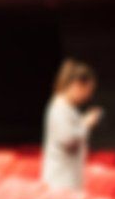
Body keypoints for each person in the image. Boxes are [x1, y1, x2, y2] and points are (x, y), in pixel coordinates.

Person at [41, 59, 103, 190]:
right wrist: (86, 124)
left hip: (65, 180)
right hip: (61, 182)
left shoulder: (66, 108)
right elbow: (68, 140)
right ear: (77, 84)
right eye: (88, 90)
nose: (89, 96)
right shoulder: (60, 108)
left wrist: (81, 122)